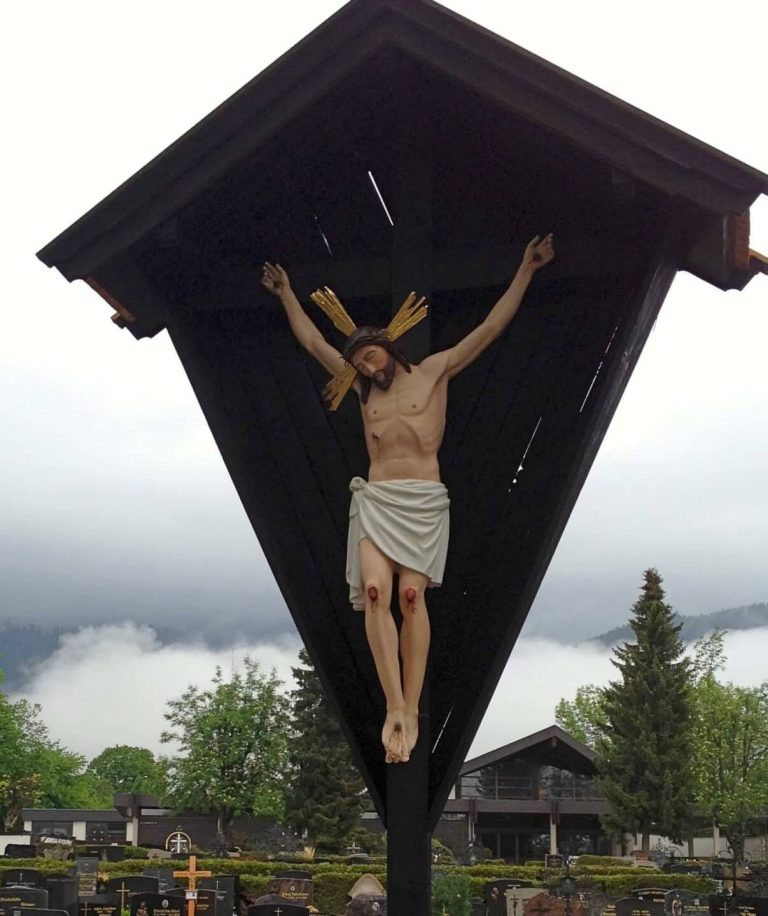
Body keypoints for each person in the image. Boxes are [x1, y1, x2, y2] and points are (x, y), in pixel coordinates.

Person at [262, 234, 554, 763]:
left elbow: (490, 328)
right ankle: (392, 706)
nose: (370, 369)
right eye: (362, 364)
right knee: (375, 593)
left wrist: (526, 270)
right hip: (376, 499)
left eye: (373, 357)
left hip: (422, 500)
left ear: (391, 347)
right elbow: (313, 345)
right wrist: (287, 294)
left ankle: (412, 708)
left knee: (411, 598)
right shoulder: (361, 391)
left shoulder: (436, 369)